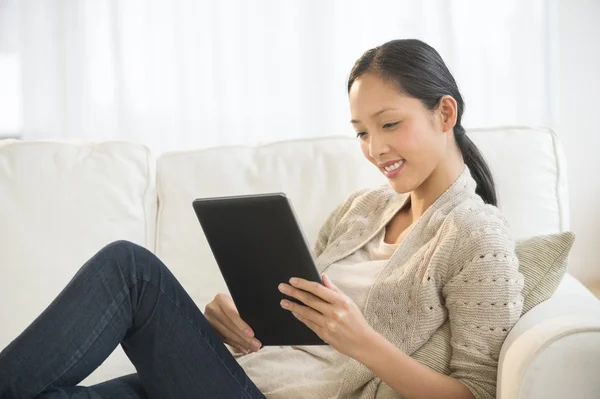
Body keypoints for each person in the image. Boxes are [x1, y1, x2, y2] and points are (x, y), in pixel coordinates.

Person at [0, 39, 523, 399]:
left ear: (445, 114)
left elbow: (480, 392)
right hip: (234, 374)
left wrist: (361, 340)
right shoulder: (362, 210)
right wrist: (234, 329)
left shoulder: (476, 234)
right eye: (361, 132)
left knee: (131, 271)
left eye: (389, 124)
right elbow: (294, 329)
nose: (375, 148)